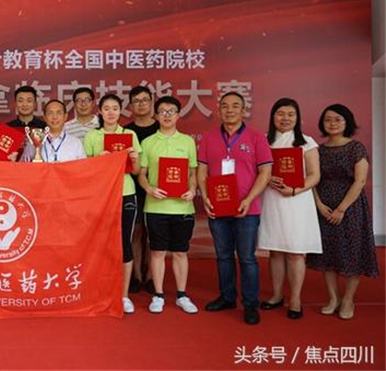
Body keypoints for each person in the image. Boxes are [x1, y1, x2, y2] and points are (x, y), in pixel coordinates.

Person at [197, 91, 272, 325]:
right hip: (217, 207)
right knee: (223, 256)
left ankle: (250, 304)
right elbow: (202, 171)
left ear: (243, 110)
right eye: (225, 106)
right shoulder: (208, 138)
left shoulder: (257, 138)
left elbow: (265, 172)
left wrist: (249, 199)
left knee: (247, 258)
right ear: (219, 111)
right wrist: (205, 197)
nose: (230, 110)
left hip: (246, 209)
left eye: (235, 106)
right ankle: (227, 297)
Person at [306, 104, 379, 320]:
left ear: (347, 122)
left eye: (338, 119)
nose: (333, 123)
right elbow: (312, 180)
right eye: (328, 120)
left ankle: (348, 299)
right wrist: (319, 205)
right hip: (324, 207)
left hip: (351, 208)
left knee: (352, 254)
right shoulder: (318, 150)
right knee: (328, 255)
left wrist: (341, 209)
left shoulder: (356, 148)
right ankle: (333, 298)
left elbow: (360, 181)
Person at [257, 98, 322, 320]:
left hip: (297, 201)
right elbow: (256, 170)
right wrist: (267, 179)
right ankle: (276, 295)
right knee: (275, 251)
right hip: (272, 199)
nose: (285, 118)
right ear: (273, 117)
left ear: (298, 118)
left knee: (296, 252)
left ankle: (295, 299)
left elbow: (315, 175)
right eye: (280, 114)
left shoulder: (307, 142)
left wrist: (295, 190)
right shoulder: (263, 141)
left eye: (290, 114)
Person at [137, 96, 198, 315]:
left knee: (180, 252)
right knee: (157, 252)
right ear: (156, 115)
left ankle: (182, 295)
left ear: (178, 115)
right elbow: (141, 175)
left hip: (182, 208)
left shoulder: (188, 142)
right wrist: (149, 189)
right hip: (155, 207)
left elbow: (193, 173)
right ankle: (159, 295)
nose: (167, 115)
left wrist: (193, 189)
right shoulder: (148, 142)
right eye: (162, 111)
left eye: (171, 111)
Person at [84, 94, 141, 314]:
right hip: (100, 195)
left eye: (115, 108)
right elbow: (85, 170)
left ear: (120, 111)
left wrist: (133, 159)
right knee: (99, 243)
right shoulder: (92, 136)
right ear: (99, 111)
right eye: (106, 108)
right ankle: (100, 291)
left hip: (125, 192)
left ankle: (123, 295)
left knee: (124, 242)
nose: (110, 112)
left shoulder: (129, 134)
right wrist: (100, 159)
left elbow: (136, 171)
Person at [124, 85, 160, 294]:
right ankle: (137, 275)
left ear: (151, 103)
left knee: (153, 232)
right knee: (136, 231)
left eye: (145, 100)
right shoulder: (126, 132)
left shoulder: (161, 128)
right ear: (130, 105)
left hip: (158, 188)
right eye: (136, 101)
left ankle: (151, 276)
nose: (141, 104)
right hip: (133, 187)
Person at [22, 100, 86, 163]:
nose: (55, 117)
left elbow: (83, 168)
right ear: (44, 117)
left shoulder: (76, 143)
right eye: (50, 113)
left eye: (59, 113)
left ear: (65, 116)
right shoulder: (33, 141)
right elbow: (24, 166)